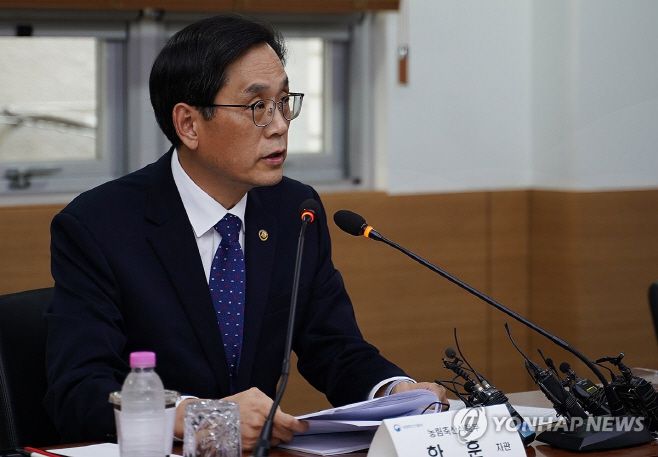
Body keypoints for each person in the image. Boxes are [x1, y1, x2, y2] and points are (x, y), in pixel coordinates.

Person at [44, 14, 446, 450]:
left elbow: (333, 346)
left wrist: (395, 392)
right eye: (257, 106)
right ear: (189, 124)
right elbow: (79, 391)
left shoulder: (294, 210)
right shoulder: (99, 225)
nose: (279, 125)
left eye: (283, 101)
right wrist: (198, 416)